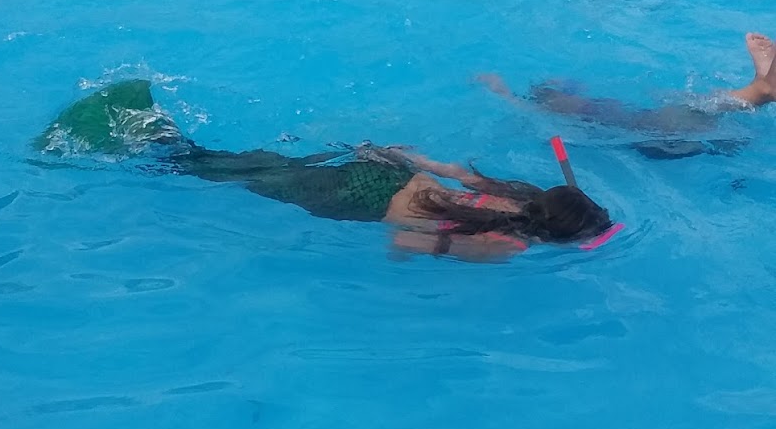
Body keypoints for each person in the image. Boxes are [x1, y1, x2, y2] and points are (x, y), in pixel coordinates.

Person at [36, 80, 613, 261]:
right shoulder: (507, 245)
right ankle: (140, 144)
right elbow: (408, 242)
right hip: (360, 199)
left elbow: (451, 169)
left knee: (262, 165)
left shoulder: (521, 193)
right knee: (229, 175)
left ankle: (151, 128)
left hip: (384, 169)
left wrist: (404, 157)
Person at [478, 31, 776, 160]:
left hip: (654, 129)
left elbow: (571, 87)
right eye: (557, 95)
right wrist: (501, 91)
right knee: (694, 109)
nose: (567, 95)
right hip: (655, 134)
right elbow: (524, 109)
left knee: (695, 107)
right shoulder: (567, 115)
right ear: (550, 104)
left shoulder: (582, 109)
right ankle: (761, 89)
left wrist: (557, 86)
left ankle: (760, 84)